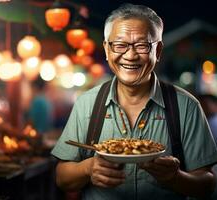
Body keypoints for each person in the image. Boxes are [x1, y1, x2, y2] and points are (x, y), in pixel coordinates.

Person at [51, 3, 217, 199]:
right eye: (120, 45)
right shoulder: (87, 103)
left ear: (159, 51)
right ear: (106, 49)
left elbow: (207, 183)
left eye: (142, 45)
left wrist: (175, 178)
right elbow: (62, 178)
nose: (130, 56)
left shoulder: (186, 106)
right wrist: (88, 168)